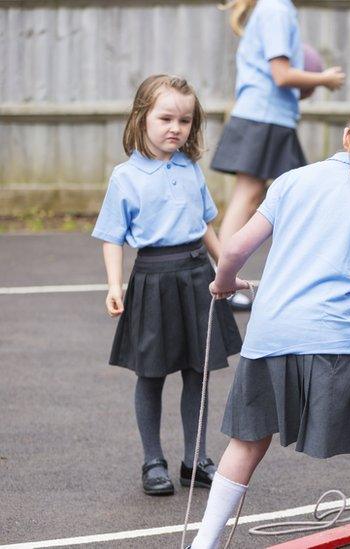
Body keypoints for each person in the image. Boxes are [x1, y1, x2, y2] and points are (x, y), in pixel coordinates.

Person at [188, 100, 350, 549]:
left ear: (347, 136)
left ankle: (203, 543)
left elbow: (231, 252)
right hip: (332, 338)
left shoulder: (293, 180)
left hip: (267, 336)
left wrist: (224, 284)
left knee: (247, 442)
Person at [92, 74, 242, 496]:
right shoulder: (125, 177)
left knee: (199, 373)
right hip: (153, 281)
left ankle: (195, 460)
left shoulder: (191, 169)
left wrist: (224, 271)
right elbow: (112, 237)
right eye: (166, 118)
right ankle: (152, 461)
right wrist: (114, 285)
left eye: (186, 120)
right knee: (151, 374)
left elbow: (205, 226)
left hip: (197, 278)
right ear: (142, 118)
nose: (176, 128)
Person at [211, 0, 346, 309]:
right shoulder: (276, 9)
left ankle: (225, 278)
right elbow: (282, 76)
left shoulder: (273, 7)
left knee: (263, 196)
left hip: (267, 115)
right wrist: (324, 79)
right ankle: (223, 281)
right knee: (252, 195)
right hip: (264, 115)